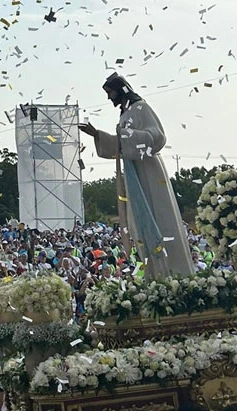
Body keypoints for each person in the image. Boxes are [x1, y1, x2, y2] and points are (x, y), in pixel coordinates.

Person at [78, 74, 194, 279]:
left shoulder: (141, 108)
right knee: (138, 223)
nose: (109, 98)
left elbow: (157, 137)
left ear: (120, 90)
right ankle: (153, 273)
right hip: (134, 174)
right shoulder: (125, 114)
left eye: (110, 92)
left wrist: (123, 136)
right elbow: (119, 146)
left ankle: (174, 272)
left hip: (149, 171)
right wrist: (97, 135)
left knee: (159, 216)